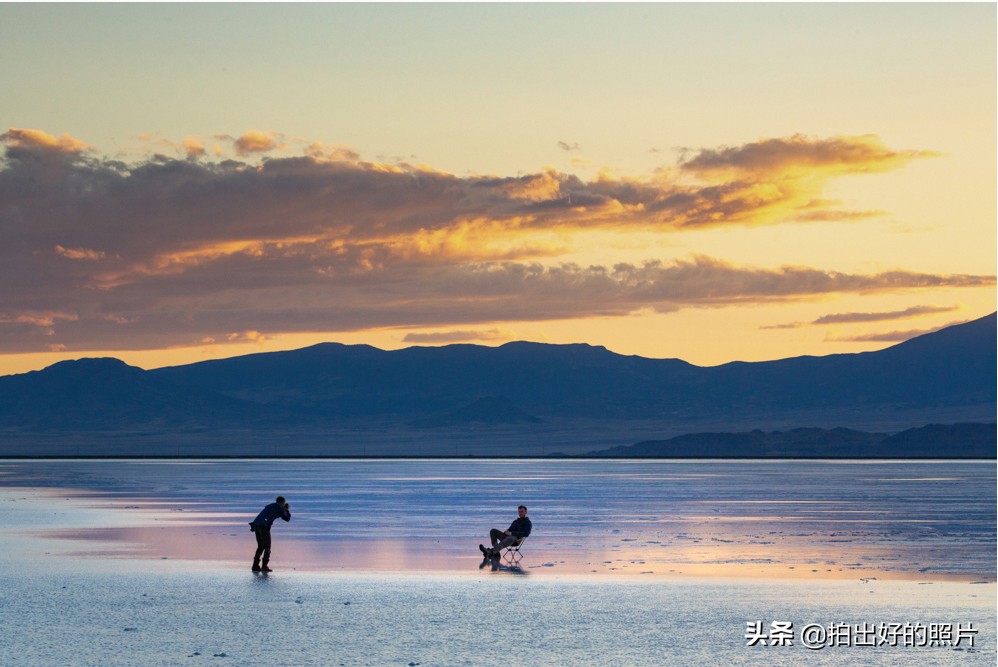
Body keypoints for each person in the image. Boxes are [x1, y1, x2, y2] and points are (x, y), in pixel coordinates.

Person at [249, 495, 291, 572]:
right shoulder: (280, 507)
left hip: (256, 525)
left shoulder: (271, 506)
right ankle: (264, 566)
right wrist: (286, 510)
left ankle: (255, 566)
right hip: (263, 526)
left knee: (261, 546)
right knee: (267, 546)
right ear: (283, 502)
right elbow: (287, 518)